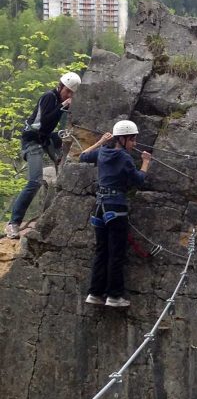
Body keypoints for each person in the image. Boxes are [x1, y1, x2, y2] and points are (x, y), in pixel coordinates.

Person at [79, 120, 152, 308]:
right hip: (116, 208)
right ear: (123, 139)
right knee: (116, 254)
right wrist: (145, 162)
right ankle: (113, 295)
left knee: (101, 252)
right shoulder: (125, 158)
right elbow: (139, 180)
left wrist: (101, 142)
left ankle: (95, 293)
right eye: (133, 139)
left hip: (99, 208)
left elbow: (83, 156)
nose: (134, 143)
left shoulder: (102, 152)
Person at [4, 72, 82, 239]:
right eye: (67, 91)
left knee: (62, 164)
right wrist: (63, 106)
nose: (68, 95)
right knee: (35, 181)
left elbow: (53, 125)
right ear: (61, 86)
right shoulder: (49, 97)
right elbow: (44, 122)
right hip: (32, 140)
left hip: (44, 138)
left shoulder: (58, 100)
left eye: (71, 93)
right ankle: (13, 223)